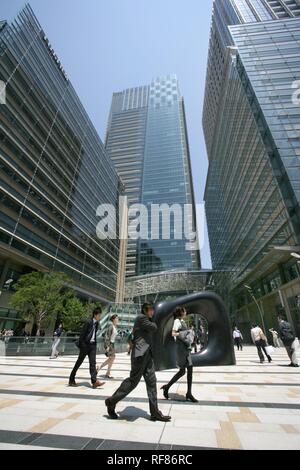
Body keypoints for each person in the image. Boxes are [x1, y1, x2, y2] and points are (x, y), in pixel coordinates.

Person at [105, 302, 171, 422]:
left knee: (152, 382)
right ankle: (111, 401)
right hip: (140, 356)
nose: (152, 312)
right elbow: (154, 327)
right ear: (145, 310)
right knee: (132, 382)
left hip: (147, 355)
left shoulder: (146, 319)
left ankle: (154, 412)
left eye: (153, 310)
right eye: (150, 310)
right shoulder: (142, 318)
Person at [161, 306, 198, 403]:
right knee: (185, 370)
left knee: (186, 370)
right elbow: (173, 333)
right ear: (181, 312)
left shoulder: (181, 321)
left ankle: (186, 392)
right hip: (181, 349)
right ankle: (185, 392)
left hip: (185, 348)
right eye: (185, 311)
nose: (186, 312)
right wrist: (185, 332)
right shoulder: (177, 321)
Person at [69, 308, 105, 389]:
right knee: (79, 362)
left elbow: (94, 334)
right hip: (85, 345)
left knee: (93, 363)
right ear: (95, 315)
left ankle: (94, 381)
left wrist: (95, 344)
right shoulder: (88, 322)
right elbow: (82, 335)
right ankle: (71, 379)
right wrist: (83, 346)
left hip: (92, 346)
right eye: (99, 315)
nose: (100, 317)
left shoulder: (97, 323)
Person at [97, 314, 119, 379]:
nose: (118, 320)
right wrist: (107, 346)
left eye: (118, 318)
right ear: (113, 320)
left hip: (113, 344)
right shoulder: (111, 327)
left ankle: (107, 372)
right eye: (116, 319)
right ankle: (102, 368)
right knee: (112, 358)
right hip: (110, 345)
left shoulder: (115, 327)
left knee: (111, 358)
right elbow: (107, 337)